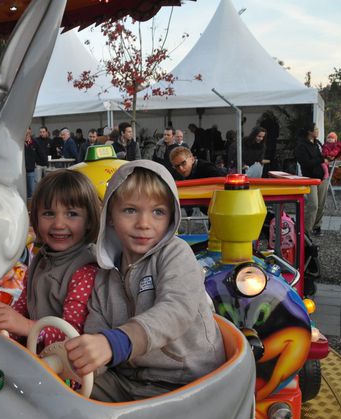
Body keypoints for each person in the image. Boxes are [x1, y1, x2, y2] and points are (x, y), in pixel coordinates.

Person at [65, 160, 225, 402]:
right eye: (130, 210)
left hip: (189, 381)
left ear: (171, 217)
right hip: (130, 379)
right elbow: (97, 328)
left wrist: (118, 342)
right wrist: (83, 363)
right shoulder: (105, 273)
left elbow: (176, 309)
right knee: (65, 394)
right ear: (110, 216)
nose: (144, 224)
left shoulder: (175, 253)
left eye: (158, 212)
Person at [0, 169, 101, 347]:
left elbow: (72, 333)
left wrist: (23, 326)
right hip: (35, 353)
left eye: (71, 214)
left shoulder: (85, 270)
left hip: (64, 366)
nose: (58, 224)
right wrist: (7, 327)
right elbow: (24, 304)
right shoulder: (41, 258)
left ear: (89, 221)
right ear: (36, 219)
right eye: (48, 213)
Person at [294, 124, 328, 236]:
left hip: (322, 177)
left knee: (321, 204)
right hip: (310, 178)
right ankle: (306, 230)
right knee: (313, 204)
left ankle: (317, 227)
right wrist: (321, 159)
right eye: (316, 130)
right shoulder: (301, 146)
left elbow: (323, 157)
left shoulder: (317, 143)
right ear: (310, 132)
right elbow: (306, 163)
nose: (318, 132)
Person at [24, 127, 39, 199]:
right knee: (24, 191)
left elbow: (40, 153)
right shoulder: (19, 142)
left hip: (30, 169)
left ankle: (30, 208)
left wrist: (44, 162)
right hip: (21, 171)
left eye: (28, 132)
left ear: (30, 131)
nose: (27, 133)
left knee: (31, 191)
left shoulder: (34, 142)